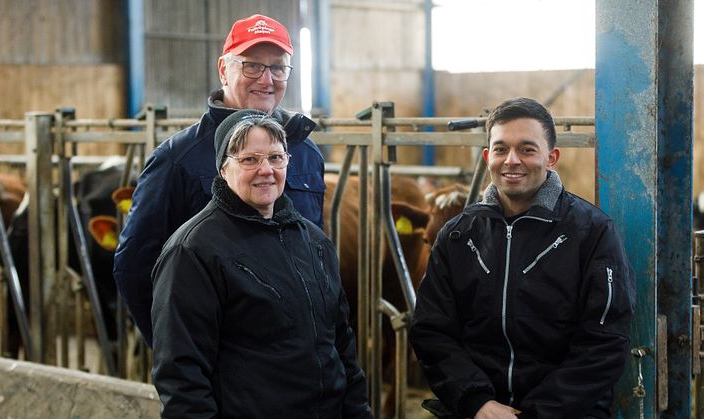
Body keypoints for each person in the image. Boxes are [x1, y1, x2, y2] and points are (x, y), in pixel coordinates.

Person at [410, 97, 636, 419]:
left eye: (527, 149)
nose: (511, 160)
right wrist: (477, 402)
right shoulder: (458, 235)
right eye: (501, 149)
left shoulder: (592, 233)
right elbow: (432, 331)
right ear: (488, 156)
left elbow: (604, 341)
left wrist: (538, 413)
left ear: (551, 157)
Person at [113, 14, 325, 346]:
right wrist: (178, 354)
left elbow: (317, 258)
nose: (266, 79)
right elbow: (134, 266)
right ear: (224, 70)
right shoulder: (177, 159)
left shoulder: (306, 153)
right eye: (252, 66)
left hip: (298, 357)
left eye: (278, 67)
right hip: (220, 359)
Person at [150, 109, 371, 418]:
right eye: (250, 160)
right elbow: (181, 373)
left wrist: (358, 411)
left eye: (276, 158)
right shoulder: (192, 251)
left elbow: (342, 344)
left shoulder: (314, 241)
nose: (266, 170)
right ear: (224, 169)